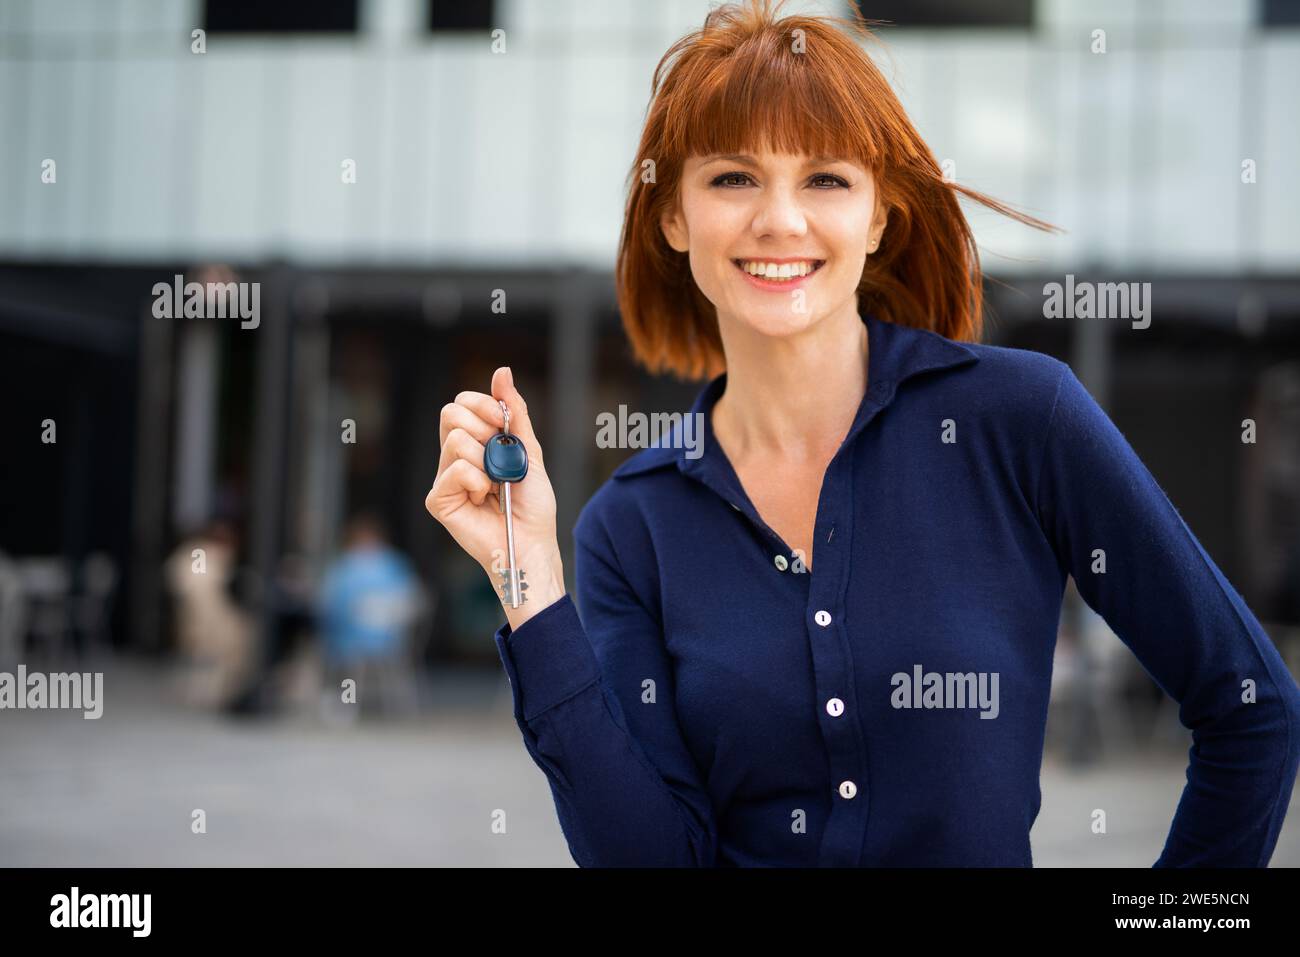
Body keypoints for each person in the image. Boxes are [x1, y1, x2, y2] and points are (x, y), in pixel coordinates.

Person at [425, 0, 1300, 866]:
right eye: (732, 177)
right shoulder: (629, 524)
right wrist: (527, 577)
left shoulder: (1023, 419)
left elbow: (1252, 707)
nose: (779, 220)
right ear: (673, 216)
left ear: (878, 218)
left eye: (826, 179)